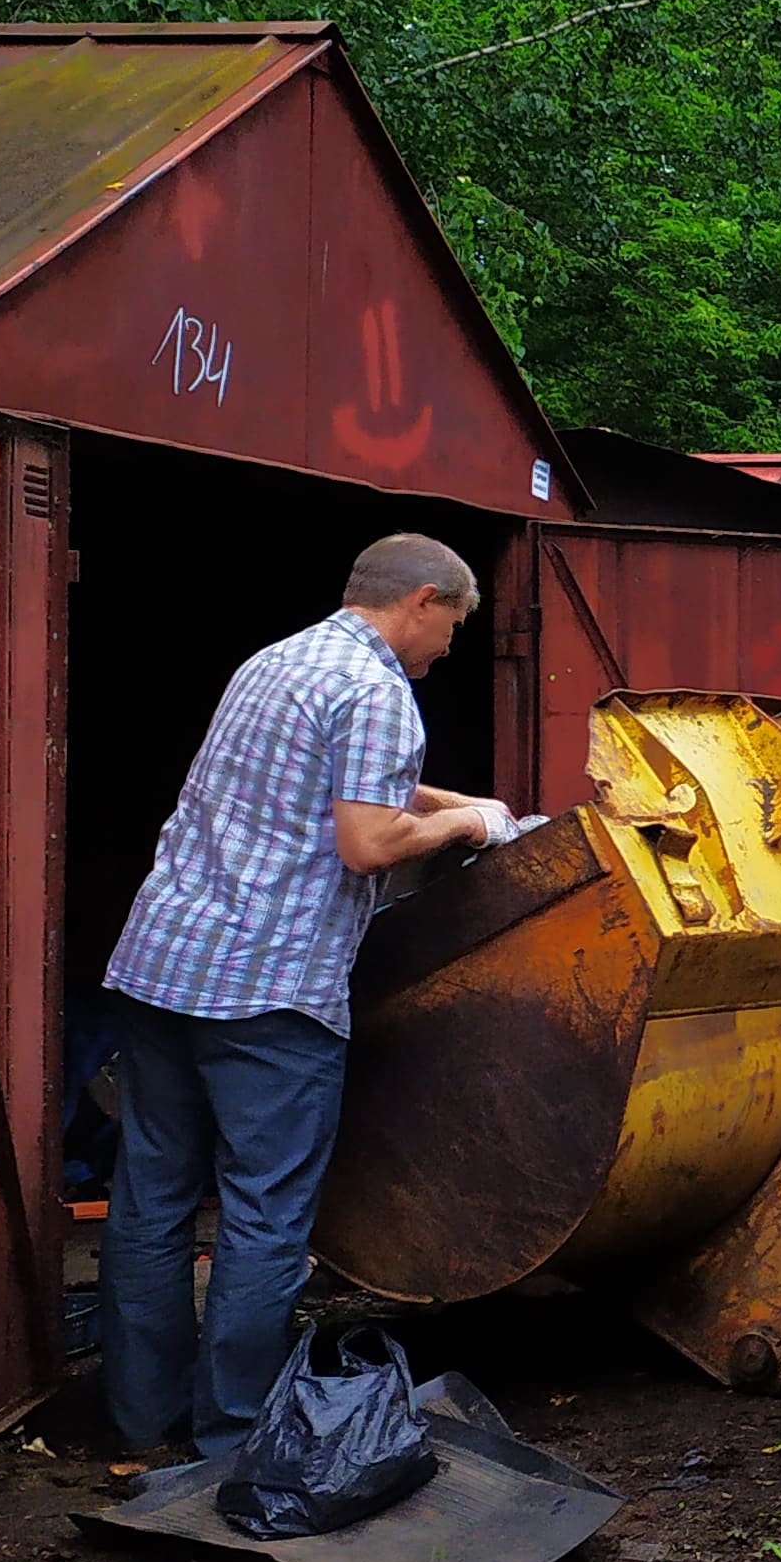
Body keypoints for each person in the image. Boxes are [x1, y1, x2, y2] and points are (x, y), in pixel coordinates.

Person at [101, 532, 516, 1461]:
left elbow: (343, 783)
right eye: (450, 628)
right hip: (269, 995)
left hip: (164, 969)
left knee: (152, 1201)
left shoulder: (277, 660)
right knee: (264, 1216)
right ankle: (234, 1435)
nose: (448, 649)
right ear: (419, 601)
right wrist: (467, 825)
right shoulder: (379, 692)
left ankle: (137, 1425)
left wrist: (469, 803)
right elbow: (366, 842)